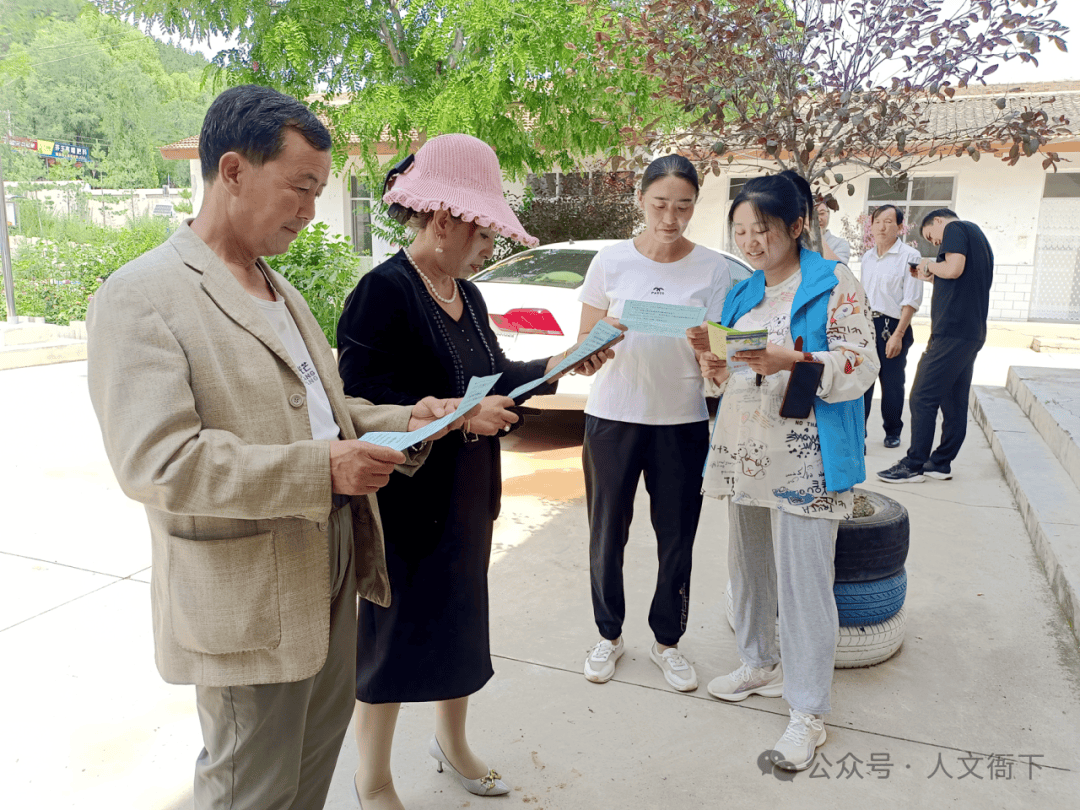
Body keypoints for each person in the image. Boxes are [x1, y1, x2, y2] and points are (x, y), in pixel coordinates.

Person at [86, 85, 471, 810]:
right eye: (300, 187)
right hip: (247, 595)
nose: (310, 209)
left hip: (328, 562)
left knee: (308, 773)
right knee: (249, 788)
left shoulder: (278, 287)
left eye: (319, 190)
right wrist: (325, 468)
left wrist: (403, 416)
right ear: (232, 171)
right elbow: (160, 462)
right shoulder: (142, 295)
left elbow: (324, 410)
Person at [336, 134, 614, 810]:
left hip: (465, 500)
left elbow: (490, 382)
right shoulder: (383, 293)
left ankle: (452, 744)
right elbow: (357, 414)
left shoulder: (467, 295)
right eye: (485, 230)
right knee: (392, 641)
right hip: (403, 509)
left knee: (461, 627)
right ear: (443, 220)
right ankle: (372, 777)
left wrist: (562, 362)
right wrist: (460, 417)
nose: (491, 244)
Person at [689, 170, 877, 771]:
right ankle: (759, 661)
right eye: (740, 230)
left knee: (804, 580)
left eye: (762, 228)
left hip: (809, 451)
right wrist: (713, 366)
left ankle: (807, 710)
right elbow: (726, 372)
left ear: (796, 226)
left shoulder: (833, 281)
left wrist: (791, 359)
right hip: (747, 445)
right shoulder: (743, 292)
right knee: (747, 562)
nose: (749, 240)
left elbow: (860, 362)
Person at [578, 154, 733, 693]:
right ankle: (609, 634)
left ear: (695, 206)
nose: (671, 218)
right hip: (612, 417)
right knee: (605, 533)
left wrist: (707, 349)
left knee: (677, 536)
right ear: (641, 200)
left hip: (681, 420)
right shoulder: (611, 261)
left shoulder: (714, 269)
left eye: (684, 206)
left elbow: (719, 362)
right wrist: (605, 337)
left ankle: (668, 641)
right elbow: (584, 350)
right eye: (661, 204)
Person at [877, 209, 994, 483]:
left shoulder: (956, 229)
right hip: (970, 332)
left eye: (932, 237)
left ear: (939, 221)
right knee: (953, 401)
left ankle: (914, 464)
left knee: (921, 396)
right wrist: (929, 275)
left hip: (951, 332)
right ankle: (940, 463)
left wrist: (929, 264)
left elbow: (953, 268)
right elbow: (956, 276)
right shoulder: (980, 240)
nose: (937, 244)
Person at [860, 204, 924, 448]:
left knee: (892, 382)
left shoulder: (910, 257)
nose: (881, 226)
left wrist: (898, 335)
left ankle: (893, 430)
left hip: (893, 326)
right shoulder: (867, 257)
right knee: (864, 380)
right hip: (867, 324)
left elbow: (911, 300)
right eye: (877, 221)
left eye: (888, 221)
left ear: (899, 227)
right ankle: (860, 432)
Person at [816, 201, 851, 266]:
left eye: (822, 213)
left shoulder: (840, 244)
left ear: (828, 214)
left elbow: (838, 269)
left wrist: (820, 237)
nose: (818, 218)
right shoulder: (800, 243)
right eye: (813, 214)